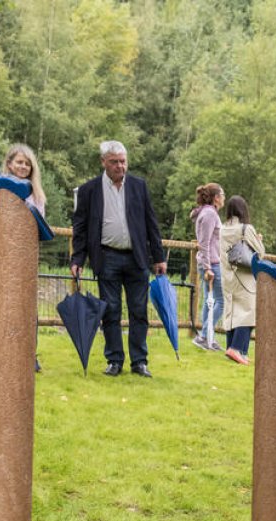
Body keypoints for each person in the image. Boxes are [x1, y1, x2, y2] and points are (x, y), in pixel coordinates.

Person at [70, 140, 168, 378]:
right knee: (110, 311)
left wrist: (159, 257)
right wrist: (77, 259)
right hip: (106, 257)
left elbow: (151, 223)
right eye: (114, 162)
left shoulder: (138, 186)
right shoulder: (89, 190)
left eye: (123, 161)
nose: (120, 166)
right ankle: (114, 360)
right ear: (103, 162)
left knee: (139, 310)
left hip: (137, 258)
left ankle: (139, 362)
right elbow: (80, 228)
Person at [0, 143, 47, 373]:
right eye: (19, 162)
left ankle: (29, 355)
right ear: (9, 164)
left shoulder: (36, 193)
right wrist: (8, 246)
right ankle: (5, 354)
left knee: (27, 307)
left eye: (27, 164)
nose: (23, 166)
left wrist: (20, 250)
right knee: (4, 305)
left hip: (23, 259)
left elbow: (37, 223)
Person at [217, 195, 265, 365]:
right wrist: (259, 240)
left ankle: (235, 350)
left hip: (227, 276)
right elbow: (260, 252)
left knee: (231, 311)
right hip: (244, 276)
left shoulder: (222, 229)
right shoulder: (246, 229)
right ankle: (237, 348)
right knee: (249, 311)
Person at [192, 183, 225, 351]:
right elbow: (203, 243)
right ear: (216, 198)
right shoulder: (210, 214)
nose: (224, 198)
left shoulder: (207, 212)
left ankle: (207, 337)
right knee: (222, 301)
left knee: (209, 301)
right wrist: (207, 268)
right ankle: (205, 335)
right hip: (211, 264)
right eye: (222, 195)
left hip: (210, 262)